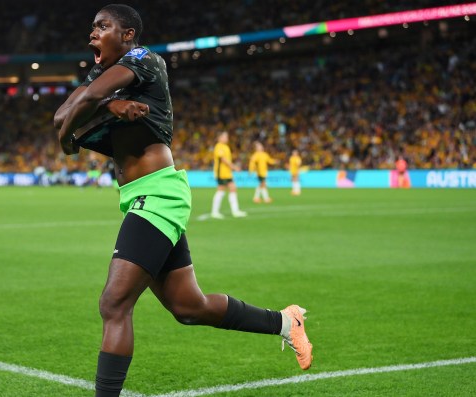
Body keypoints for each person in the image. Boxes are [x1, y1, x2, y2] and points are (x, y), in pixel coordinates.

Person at [53, 5, 312, 396]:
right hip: (140, 195)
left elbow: (82, 105)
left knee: (114, 303)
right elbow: (61, 118)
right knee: (189, 307)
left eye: (102, 27)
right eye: (91, 27)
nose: (92, 34)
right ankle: (284, 322)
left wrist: (89, 113)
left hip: (158, 193)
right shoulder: (102, 76)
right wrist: (108, 107)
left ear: (127, 35)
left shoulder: (144, 58)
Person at [211, 131, 247, 218]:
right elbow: (223, 160)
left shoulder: (226, 147)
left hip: (227, 173)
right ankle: (215, 212)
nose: (227, 138)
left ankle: (235, 211)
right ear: (219, 138)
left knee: (233, 188)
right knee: (221, 190)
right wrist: (234, 167)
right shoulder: (218, 146)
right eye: (225, 136)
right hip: (221, 173)